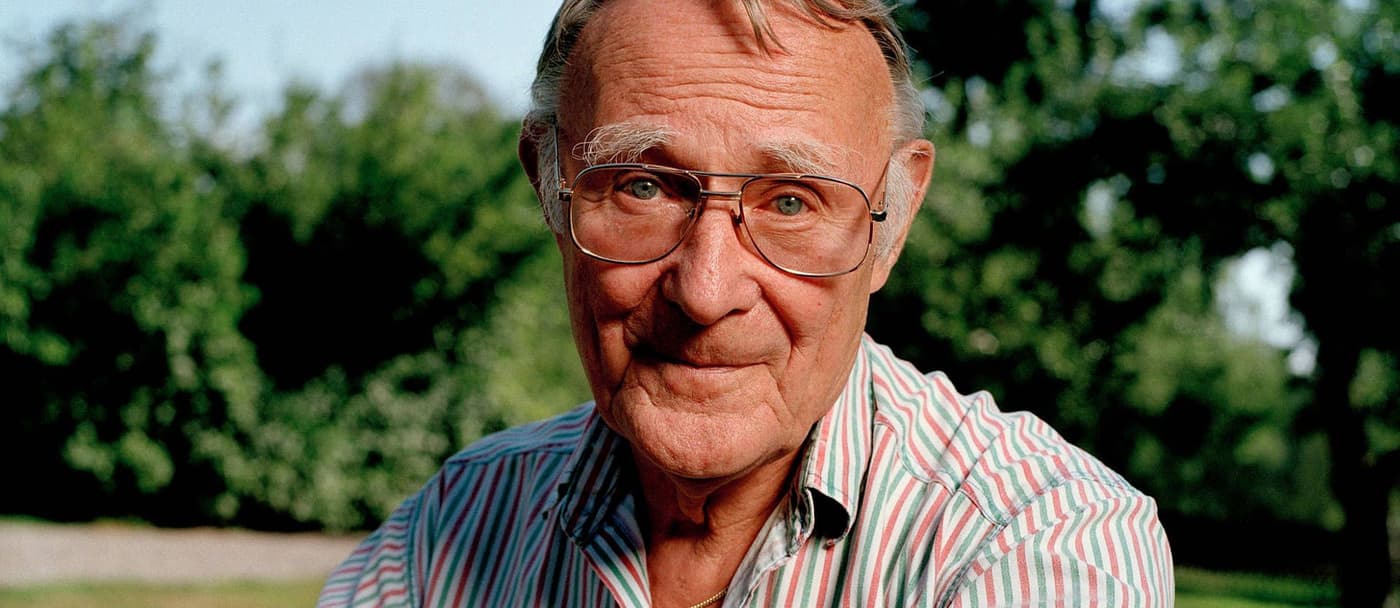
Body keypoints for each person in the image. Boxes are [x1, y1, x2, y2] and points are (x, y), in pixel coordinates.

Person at [319, 0, 1174, 605]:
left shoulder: (1036, 543)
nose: (706, 289)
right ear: (549, 187)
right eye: (646, 186)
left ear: (894, 219)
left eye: (792, 201)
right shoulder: (451, 526)